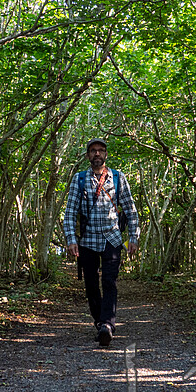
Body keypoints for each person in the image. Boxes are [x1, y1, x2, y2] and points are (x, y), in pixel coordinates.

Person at [63, 138, 139, 346]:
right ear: (88, 155)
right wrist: (71, 239)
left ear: (106, 154)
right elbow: (70, 212)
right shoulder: (79, 179)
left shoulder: (118, 177)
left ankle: (107, 324)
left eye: (101, 150)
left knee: (109, 282)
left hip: (112, 238)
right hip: (87, 240)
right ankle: (99, 321)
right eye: (93, 150)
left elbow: (130, 209)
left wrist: (133, 237)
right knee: (90, 284)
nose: (97, 153)